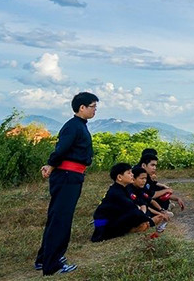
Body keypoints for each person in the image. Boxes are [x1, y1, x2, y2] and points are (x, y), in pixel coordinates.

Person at [35, 92, 98, 275]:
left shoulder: (79, 126)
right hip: (67, 176)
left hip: (71, 176)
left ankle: (44, 259)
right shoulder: (73, 126)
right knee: (61, 219)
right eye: (93, 107)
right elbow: (61, 149)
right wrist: (51, 164)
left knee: (58, 217)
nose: (95, 110)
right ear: (82, 107)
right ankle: (52, 264)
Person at [91, 163, 167, 242]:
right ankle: (137, 227)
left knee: (136, 212)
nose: (132, 175)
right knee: (135, 213)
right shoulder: (116, 193)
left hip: (114, 217)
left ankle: (138, 226)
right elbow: (133, 209)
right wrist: (151, 221)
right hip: (104, 224)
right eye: (129, 173)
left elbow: (138, 203)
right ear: (119, 177)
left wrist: (143, 209)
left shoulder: (125, 188)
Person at [129, 166, 173, 233]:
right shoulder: (130, 191)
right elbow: (143, 206)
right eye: (142, 178)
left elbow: (151, 200)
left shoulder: (140, 188)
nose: (144, 181)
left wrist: (162, 210)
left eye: (145, 178)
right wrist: (160, 214)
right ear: (133, 179)